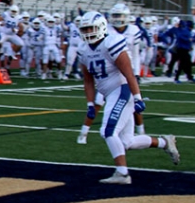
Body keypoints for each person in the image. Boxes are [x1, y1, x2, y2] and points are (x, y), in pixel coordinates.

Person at [76, 11, 180, 184]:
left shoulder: (111, 43)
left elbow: (129, 73)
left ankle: (122, 174)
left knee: (108, 131)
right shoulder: (84, 50)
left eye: (91, 28)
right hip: (109, 93)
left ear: (101, 27)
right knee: (126, 142)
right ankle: (165, 142)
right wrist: (89, 104)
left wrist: (138, 98)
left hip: (122, 89)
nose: (88, 33)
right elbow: (87, 80)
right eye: (84, 29)